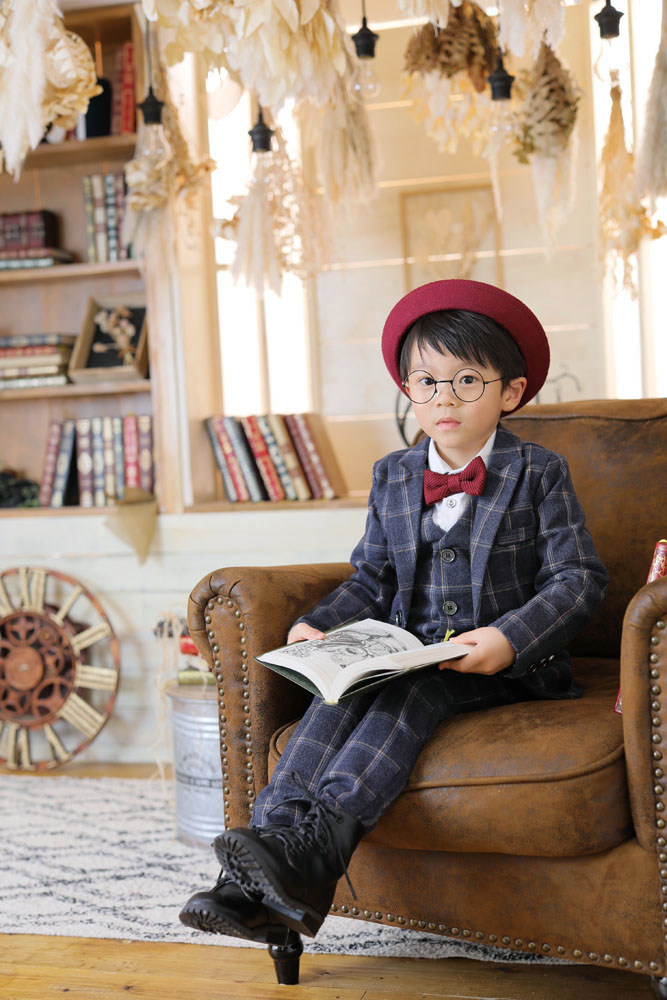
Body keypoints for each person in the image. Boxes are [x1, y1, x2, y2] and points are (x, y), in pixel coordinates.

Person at [179, 278, 608, 944]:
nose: (444, 399)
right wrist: (321, 624)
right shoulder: (394, 474)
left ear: (510, 391)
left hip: (503, 665)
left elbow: (577, 578)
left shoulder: (538, 471)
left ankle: (317, 853)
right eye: (426, 382)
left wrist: (507, 638)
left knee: (409, 696)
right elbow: (373, 577)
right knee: (338, 699)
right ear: (407, 389)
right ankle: (261, 867)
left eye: (467, 381)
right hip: (405, 649)